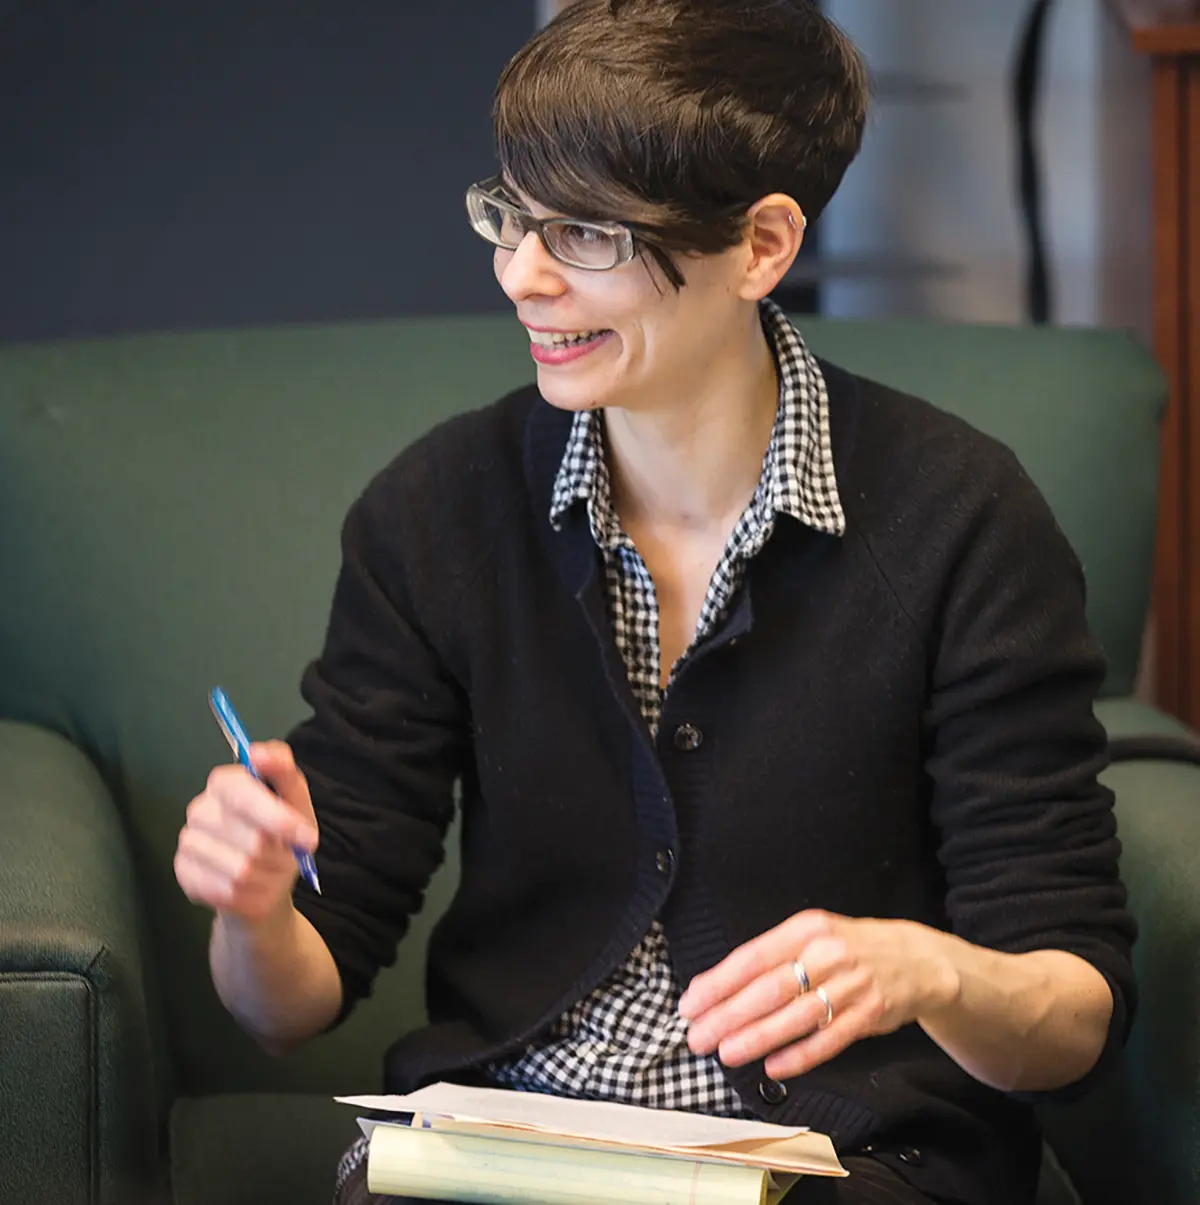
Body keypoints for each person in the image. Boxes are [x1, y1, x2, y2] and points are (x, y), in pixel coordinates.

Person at [172, 2, 1136, 1203]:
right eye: (512, 216)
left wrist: (928, 972)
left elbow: (1073, 1010)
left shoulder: (961, 518)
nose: (517, 273)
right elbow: (295, 999)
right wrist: (255, 909)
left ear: (761, 245)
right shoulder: (439, 511)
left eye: (581, 233)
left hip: (849, 1164)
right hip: (500, 1154)